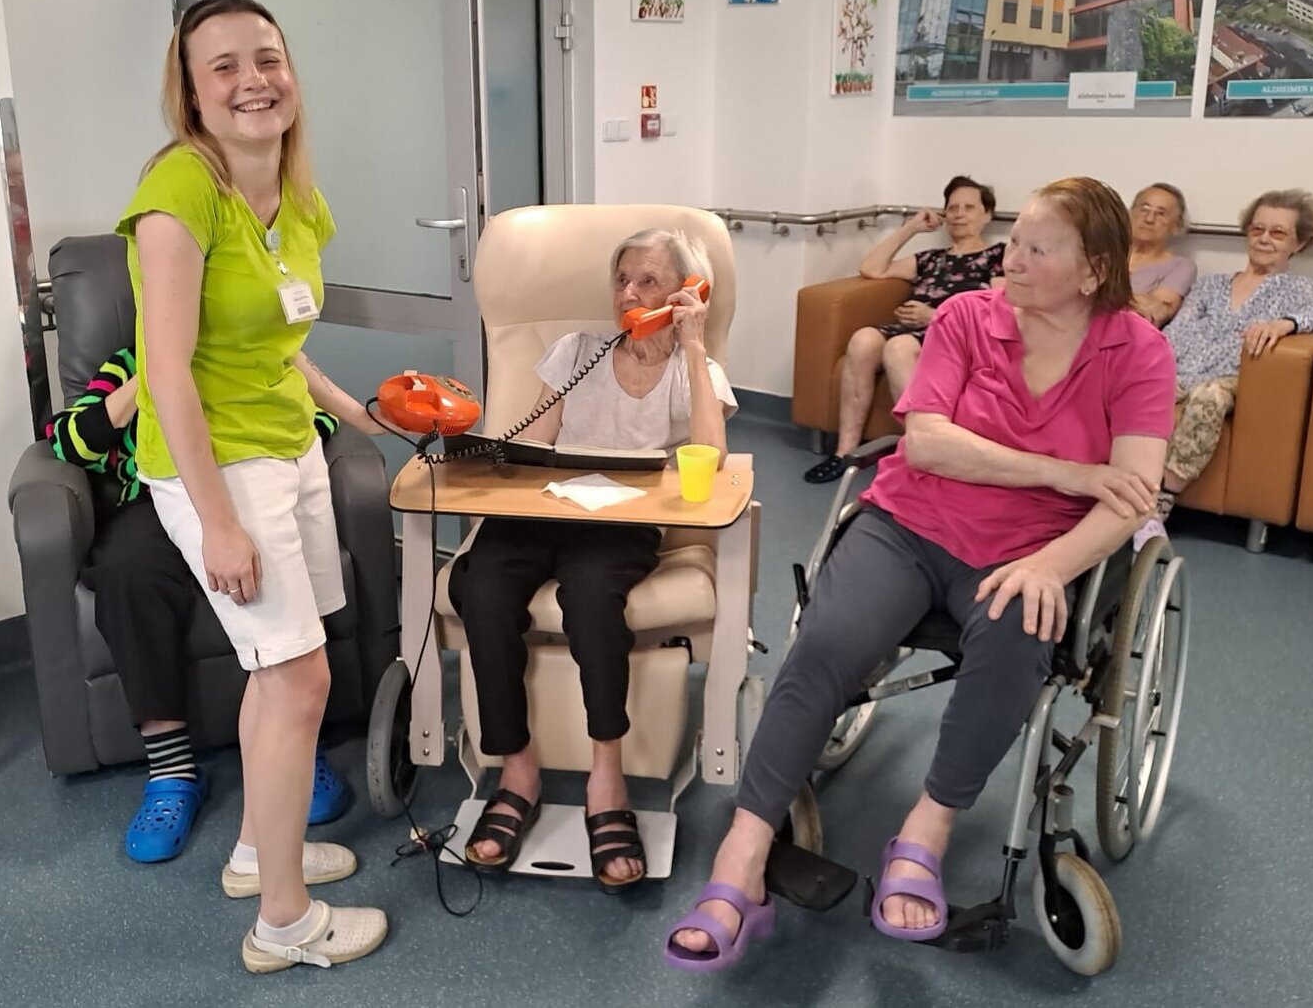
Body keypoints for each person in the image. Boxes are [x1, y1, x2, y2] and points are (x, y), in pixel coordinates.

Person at [667, 177, 1174, 971]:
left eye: (1037, 249)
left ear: (1094, 270)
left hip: (1028, 549)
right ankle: (743, 850)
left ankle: (926, 830)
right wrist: (1068, 473)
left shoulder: (1137, 350)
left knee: (1018, 630)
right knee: (825, 641)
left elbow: (1131, 493)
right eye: (1014, 241)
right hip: (909, 524)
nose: (1011, 258)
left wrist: (1052, 563)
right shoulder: (968, 317)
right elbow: (930, 445)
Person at [117, 0, 391, 973]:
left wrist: (359, 412)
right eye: (224, 66)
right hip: (216, 465)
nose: (253, 81)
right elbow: (167, 372)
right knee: (298, 677)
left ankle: (252, 852)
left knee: (276, 672)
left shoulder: (297, 193)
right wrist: (219, 523)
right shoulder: (178, 193)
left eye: (267, 58)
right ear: (192, 93)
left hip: (287, 445)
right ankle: (284, 922)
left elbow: (282, 340)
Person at [449, 228, 738, 892]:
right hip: (547, 508)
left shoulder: (696, 370)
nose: (629, 293)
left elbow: (713, 457)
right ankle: (516, 768)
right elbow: (535, 444)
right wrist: (487, 456)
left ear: (687, 292)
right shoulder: (577, 351)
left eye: (648, 281)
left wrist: (693, 344)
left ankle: (606, 777)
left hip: (622, 523)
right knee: (482, 586)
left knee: (590, 600)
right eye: (621, 279)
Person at [44, 347, 357, 866]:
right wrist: (153, 375)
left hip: (247, 494)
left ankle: (297, 752)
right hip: (153, 497)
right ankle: (171, 770)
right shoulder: (128, 362)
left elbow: (313, 419)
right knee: (127, 574)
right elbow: (70, 441)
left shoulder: (250, 351)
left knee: (275, 569)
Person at [1133, 188, 1313, 550]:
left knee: (1210, 396)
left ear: (1298, 243)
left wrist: (1286, 323)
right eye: (1257, 229)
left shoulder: (1300, 289)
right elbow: (1174, 335)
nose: (1264, 239)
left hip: (1229, 378)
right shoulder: (1210, 285)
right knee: (1131, 389)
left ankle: (1159, 503)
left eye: (1278, 233)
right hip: (1182, 370)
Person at [804, 175, 1005, 484]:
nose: (959, 214)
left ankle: (922, 452)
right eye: (953, 208)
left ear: (987, 215)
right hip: (910, 329)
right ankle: (845, 453)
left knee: (898, 347)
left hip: (952, 333)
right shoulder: (931, 259)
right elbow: (871, 268)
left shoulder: (997, 257)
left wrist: (934, 316)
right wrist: (911, 227)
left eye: (969, 208)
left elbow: (998, 310)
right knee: (862, 340)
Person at [1127, 182, 1196, 328]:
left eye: (1161, 214)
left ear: (1176, 226)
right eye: (1144, 209)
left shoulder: (1181, 266)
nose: (1149, 219)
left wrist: (1100, 295)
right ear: (1130, 214)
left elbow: (1155, 314)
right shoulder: (1104, 253)